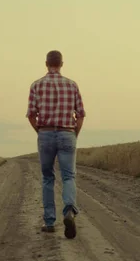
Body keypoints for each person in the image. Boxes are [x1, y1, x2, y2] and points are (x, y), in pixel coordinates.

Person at [26, 50, 86, 239]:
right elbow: (81, 114)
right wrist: (74, 133)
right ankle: (68, 210)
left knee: (47, 178)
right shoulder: (72, 85)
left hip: (46, 133)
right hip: (67, 133)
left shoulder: (37, 85)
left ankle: (49, 222)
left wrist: (40, 131)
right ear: (62, 64)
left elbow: (31, 114)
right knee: (68, 176)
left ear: (46, 63)